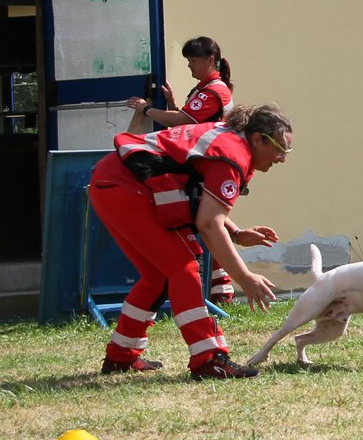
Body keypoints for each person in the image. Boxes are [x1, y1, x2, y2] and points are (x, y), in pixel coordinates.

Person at [88, 103, 292, 380]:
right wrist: (244, 277)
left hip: (111, 182)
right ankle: (209, 359)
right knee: (183, 268)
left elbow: (204, 204)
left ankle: (121, 356)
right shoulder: (232, 152)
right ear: (257, 139)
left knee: (157, 277)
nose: (282, 159)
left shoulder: (230, 140)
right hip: (126, 187)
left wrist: (235, 232)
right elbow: (207, 224)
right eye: (280, 149)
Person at [126, 37, 238, 304]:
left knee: (203, 225)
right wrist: (173, 105)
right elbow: (186, 124)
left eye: (194, 61)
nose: (190, 67)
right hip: (204, 168)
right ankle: (218, 288)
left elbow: (185, 122)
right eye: (188, 61)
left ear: (211, 61)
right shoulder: (205, 89)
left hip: (206, 169)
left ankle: (220, 289)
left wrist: (148, 110)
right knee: (204, 225)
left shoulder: (214, 90)